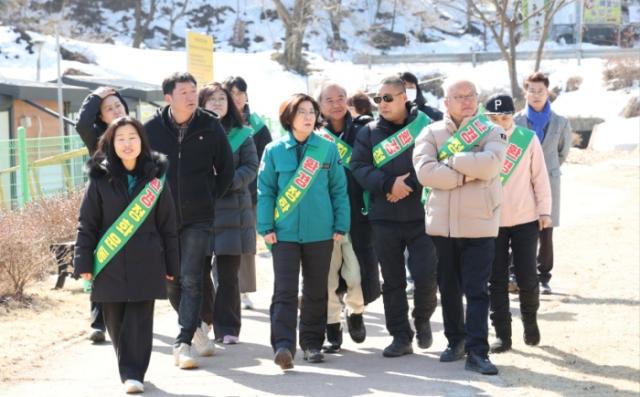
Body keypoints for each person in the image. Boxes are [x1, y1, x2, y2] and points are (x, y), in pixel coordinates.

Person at [73, 116, 178, 394]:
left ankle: (133, 373)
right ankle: (129, 366)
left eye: (132, 137)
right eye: (120, 138)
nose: (127, 144)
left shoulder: (156, 178)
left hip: (148, 259)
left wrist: (171, 263)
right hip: (110, 262)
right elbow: (88, 223)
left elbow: (168, 225)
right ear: (111, 143)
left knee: (140, 320)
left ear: (141, 142)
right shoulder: (99, 180)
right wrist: (83, 262)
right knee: (116, 321)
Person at [413, 79, 507, 375]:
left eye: (471, 96)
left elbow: (491, 165)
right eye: (458, 96)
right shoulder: (431, 132)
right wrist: (466, 174)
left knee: (477, 290)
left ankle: (478, 351)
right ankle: (456, 341)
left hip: (480, 223)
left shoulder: (492, 130)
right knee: (449, 288)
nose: (466, 101)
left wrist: (452, 160)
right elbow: (425, 172)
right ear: (446, 102)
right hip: (442, 227)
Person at [145, 72, 234, 369]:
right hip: (162, 218)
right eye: (183, 91)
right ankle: (196, 328)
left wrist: (209, 198)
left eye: (193, 90)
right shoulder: (151, 129)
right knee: (171, 280)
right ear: (168, 97)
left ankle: (182, 343)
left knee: (192, 277)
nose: (191, 96)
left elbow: (226, 169)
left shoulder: (210, 125)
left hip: (199, 216)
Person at [257, 93, 349, 369]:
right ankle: (283, 346)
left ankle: (311, 344)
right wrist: (265, 226)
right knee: (284, 290)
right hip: (283, 233)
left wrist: (341, 224)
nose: (309, 117)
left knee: (315, 290)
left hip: (320, 232)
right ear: (289, 117)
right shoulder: (273, 151)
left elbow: (338, 189)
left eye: (312, 112)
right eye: (302, 112)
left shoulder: (326, 149)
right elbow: (265, 191)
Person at [350, 76, 438, 358]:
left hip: (422, 216)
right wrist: (388, 184)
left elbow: (439, 159)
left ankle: (423, 318)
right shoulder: (369, 132)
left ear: (404, 97)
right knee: (393, 281)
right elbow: (359, 167)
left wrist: (408, 184)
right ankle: (401, 335)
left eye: (388, 98)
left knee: (426, 276)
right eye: (378, 99)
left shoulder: (427, 125)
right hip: (384, 217)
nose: (382, 104)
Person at [484, 94, 552, 353]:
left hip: (525, 218)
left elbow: (540, 179)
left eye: (505, 117)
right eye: (494, 118)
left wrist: (545, 212)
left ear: (514, 115)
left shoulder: (527, 139)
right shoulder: (480, 141)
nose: (500, 122)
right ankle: (502, 333)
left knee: (527, 275)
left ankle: (530, 320)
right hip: (491, 220)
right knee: (496, 278)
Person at [316, 82, 379, 353]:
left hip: (357, 211)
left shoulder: (364, 130)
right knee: (327, 274)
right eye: (329, 99)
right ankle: (332, 326)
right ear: (320, 105)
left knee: (357, 271)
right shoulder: (314, 135)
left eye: (341, 97)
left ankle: (355, 313)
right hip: (325, 214)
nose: (336, 103)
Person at [198, 82, 259, 344]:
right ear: (202, 104)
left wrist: (226, 182)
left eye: (222, 99)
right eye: (211, 100)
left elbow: (251, 166)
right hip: (201, 211)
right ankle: (203, 320)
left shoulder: (243, 133)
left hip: (233, 211)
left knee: (227, 275)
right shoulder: (192, 133)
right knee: (199, 272)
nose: (217, 104)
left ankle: (228, 328)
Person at [75, 86, 130, 344]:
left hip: (133, 205)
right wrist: (96, 96)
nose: (116, 110)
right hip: (103, 205)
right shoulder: (96, 136)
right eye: (108, 109)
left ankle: (129, 315)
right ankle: (98, 322)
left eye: (118, 105)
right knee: (102, 259)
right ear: (101, 117)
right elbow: (81, 123)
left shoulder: (137, 132)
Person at [514, 72, 572, 295]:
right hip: (519, 181)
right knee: (516, 225)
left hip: (549, 179)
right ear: (525, 92)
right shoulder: (517, 120)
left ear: (547, 92)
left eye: (540, 91)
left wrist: (546, 169)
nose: (536, 95)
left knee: (545, 228)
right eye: (532, 90)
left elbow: (562, 152)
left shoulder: (561, 121)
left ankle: (543, 275)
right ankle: (515, 272)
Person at [223, 76, 273, 310]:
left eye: (240, 92)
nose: (236, 97)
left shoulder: (257, 125)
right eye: (231, 93)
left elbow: (265, 159)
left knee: (245, 244)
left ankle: (242, 291)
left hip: (248, 193)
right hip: (217, 194)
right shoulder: (215, 122)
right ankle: (222, 290)